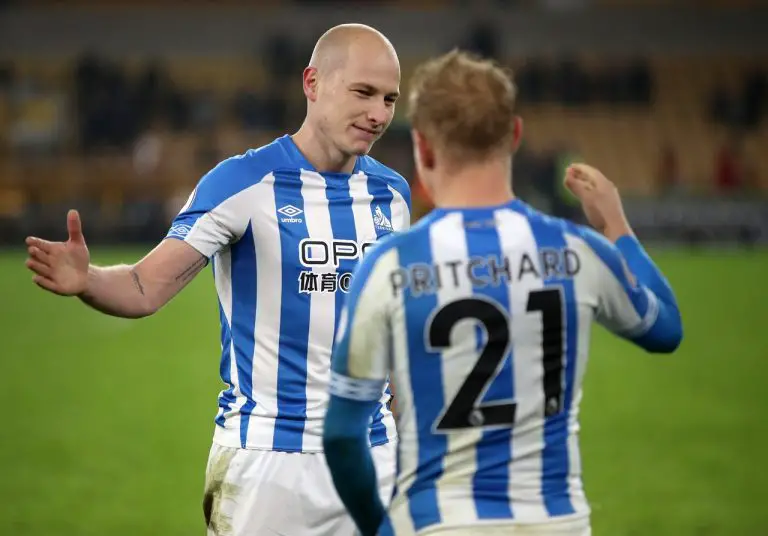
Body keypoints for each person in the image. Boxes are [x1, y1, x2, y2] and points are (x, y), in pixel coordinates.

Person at [24, 23, 410, 536]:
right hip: (269, 464)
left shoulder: (393, 195)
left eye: (389, 99)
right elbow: (145, 286)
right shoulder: (243, 183)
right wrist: (88, 279)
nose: (379, 114)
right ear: (313, 83)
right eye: (363, 92)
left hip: (376, 457)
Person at [323, 50, 682, 536]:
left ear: (422, 146)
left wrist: (378, 527)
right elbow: (666, 329)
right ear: (514, 135)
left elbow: (343, 435)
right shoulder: (576, 250)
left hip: (438, 523)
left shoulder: (390, 265)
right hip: (557, 522)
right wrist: (616, 224)